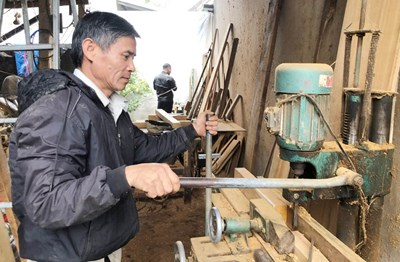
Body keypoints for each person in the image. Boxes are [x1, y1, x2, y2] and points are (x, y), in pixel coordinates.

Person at [8, 11, 218, 262]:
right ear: (90, 49)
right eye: (125, 56)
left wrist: (193, 130)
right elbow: (45, 202)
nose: (132, 67)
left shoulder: (107, 109)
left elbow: (147, 149)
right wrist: (125, 176)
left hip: (92, 248)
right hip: (62, 256)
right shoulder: (59, 110)